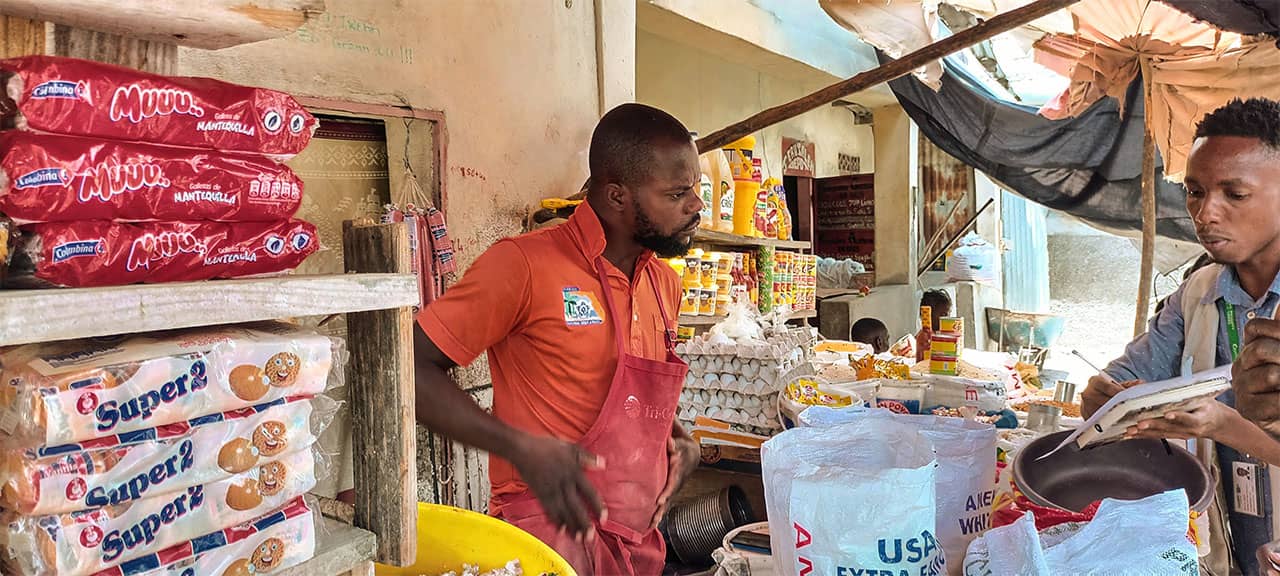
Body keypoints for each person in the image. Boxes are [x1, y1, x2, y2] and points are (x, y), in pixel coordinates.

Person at [412, 103, 704, 575]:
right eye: (677, 194)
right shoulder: (523, 265)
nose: (696, 206)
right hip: (548, 538)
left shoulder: (663, 283)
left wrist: (678, 439)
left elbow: (622, 394)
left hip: (638, 543)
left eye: (696, 189)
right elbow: (412, 368)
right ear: (615, 198)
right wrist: (519, 448)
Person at [1080, 98, 1280, 575]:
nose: (1205, 213)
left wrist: (1224, 424)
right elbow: (1129, 378)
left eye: (1234, 193)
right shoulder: (1197, 294)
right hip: (1229, 535)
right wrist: (1104, 398)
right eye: (1194, 191)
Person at [915, 289, 952, 361]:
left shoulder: (946, 335)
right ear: (928, 315)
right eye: (943, 314)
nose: (947, 318)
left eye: (948, 314)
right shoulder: (924, 338)